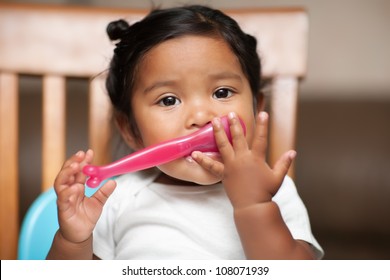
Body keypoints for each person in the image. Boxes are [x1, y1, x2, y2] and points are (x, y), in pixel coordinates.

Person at [47, 5, 323, 260]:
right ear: (131, 131)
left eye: (222, 92)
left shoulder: (274, 191)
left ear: (256, 107)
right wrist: (73, 242)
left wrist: (255, 205)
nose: (201, 118)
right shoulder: (117, 198)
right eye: (168, 100)